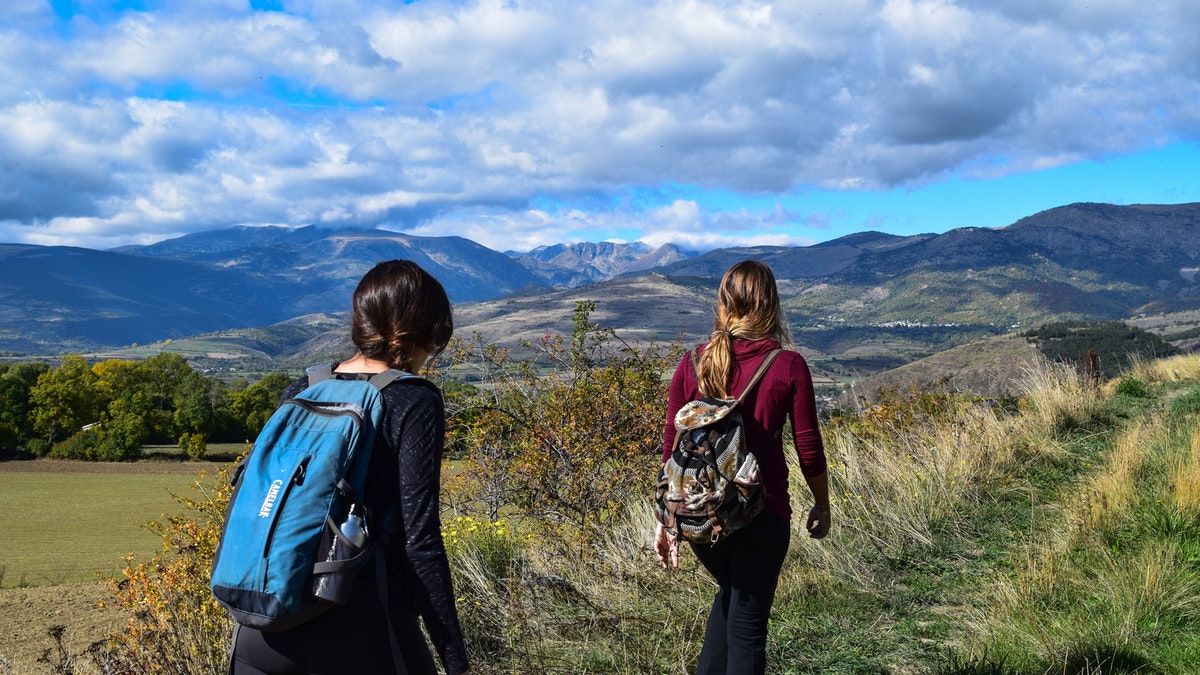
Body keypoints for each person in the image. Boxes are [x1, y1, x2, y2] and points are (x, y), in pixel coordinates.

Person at [230, 259, 470, 675]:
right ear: (426, 331)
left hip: (262, 626)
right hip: (361, 625)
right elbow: (421, 540)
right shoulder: (413, 400)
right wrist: (454, 658)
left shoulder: (304, 388)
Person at [654, 259, 830, 675]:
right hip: (761, 515)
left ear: (723, 303)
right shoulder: (787, 365)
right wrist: (822, 505)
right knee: (748, 634)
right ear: (771, 304)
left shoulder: (693, 361)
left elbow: (672, 443)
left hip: (700, 516)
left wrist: (665, 518)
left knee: (731, 599)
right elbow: (809, 449)